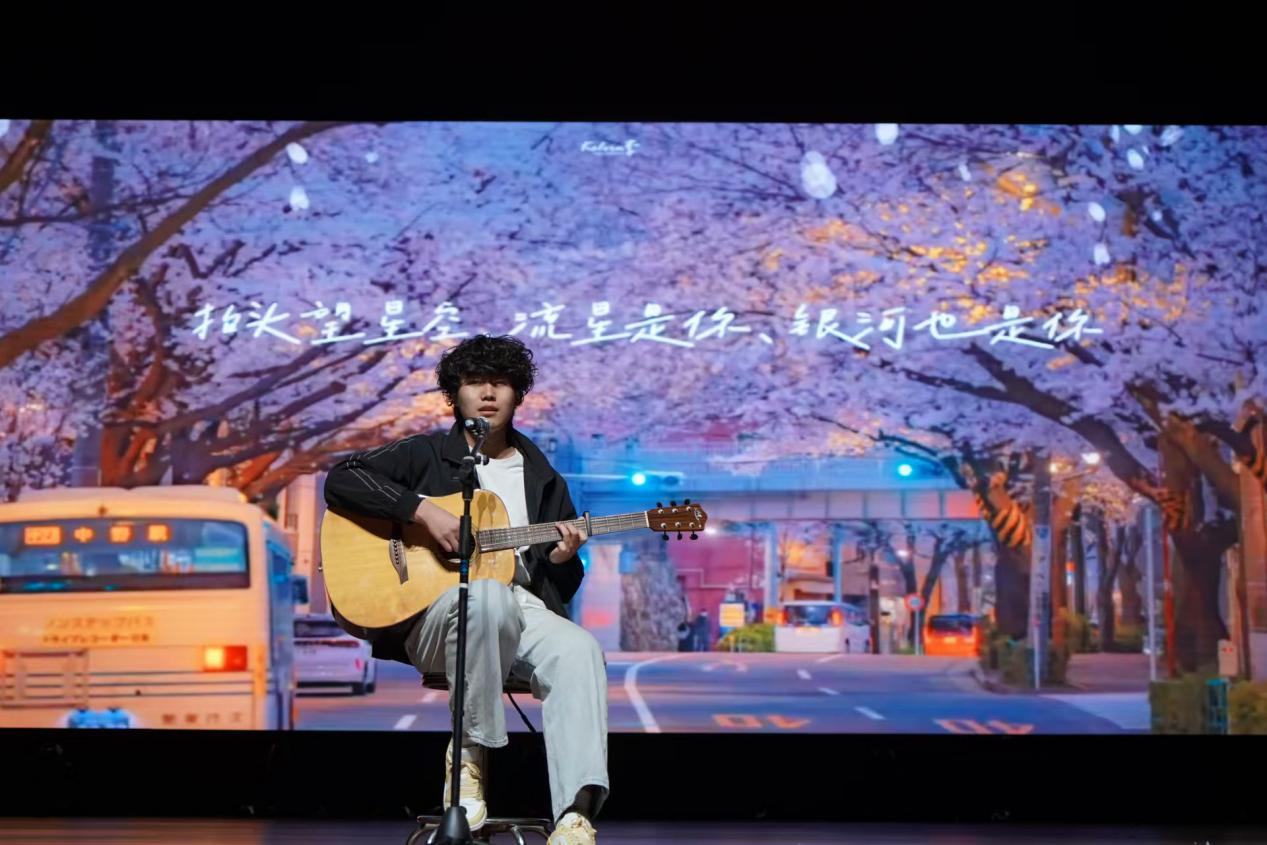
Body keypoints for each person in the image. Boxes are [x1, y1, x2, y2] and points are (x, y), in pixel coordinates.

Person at [324, 335, 608, 845]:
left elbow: (560, 585)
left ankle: (575, 813)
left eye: (501, 383)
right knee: (485, 595)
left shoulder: (544, 479)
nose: (488, 393)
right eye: (475, 382)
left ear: (518, 395)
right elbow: (342, 478)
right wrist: (422, 511)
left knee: (579, 649)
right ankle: (468, 759)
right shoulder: (426, 455)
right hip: (434, 615)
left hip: (519, 608)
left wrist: (562, 559)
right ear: (455, 395)